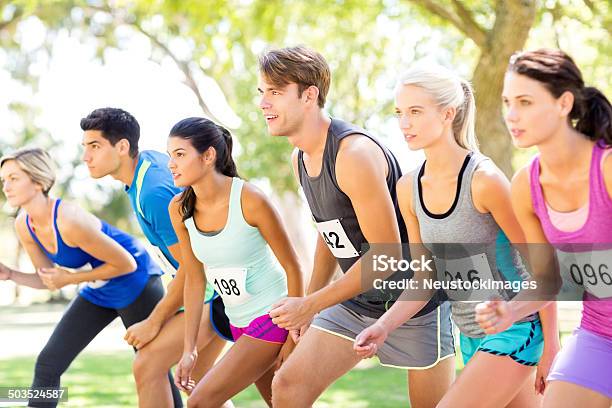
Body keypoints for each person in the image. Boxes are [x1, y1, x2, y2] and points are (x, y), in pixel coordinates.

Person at [259, 46, 455, 408]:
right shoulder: (299, 157)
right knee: (288, 386)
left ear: (309, 95)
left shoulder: (353, 154)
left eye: (275, 91)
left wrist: (312, 303)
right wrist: (309, 304)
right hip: (357, 300)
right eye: (262, 92)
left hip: (414, 302)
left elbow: (388, 257)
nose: (263, 103)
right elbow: (328, 229)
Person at [354, 65, 559, 407]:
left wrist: (551, 346)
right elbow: (425, 279)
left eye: (415, 112)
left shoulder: (485, 180)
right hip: (470, 335)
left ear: (448, 113)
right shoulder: (408, 189)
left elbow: (542, 268)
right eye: (400, 113)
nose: (405, 124)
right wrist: (385, 326)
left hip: (517, 327)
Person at [476, 48, 612, 407]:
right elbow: (548, 278)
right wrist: (512, 310)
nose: (512, 115)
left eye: (525, 102)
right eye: (507, 102)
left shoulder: (607, 169)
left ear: (564, 103)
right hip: (599, 334)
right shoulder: (526, 185)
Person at [80, 107, 232, 407]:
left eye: (94, 146)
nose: (86, 157)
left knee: (147, 365)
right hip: (214, 288)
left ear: (122, 147)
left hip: (216, 291)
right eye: (84, 148)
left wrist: (153, 321)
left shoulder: (152, 192)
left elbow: (193, 267)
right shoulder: (147, 168)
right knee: (201, 388)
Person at [0, 148, 164, 408]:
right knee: (48, 364)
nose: (6, 186)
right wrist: (10, 274)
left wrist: (71, 279)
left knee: (152, 370)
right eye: (4, 180)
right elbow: (48, 279)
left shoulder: (68, 219)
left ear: (39, 181)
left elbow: (126, 263)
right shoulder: (24, 224)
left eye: (14, 178)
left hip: (138, 282)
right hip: (98, 288)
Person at [166, 117, 304, 407]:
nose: (171, 164)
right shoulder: (179, 209)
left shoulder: (250, 199)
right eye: (170, 156)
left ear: (208, 156)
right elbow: (194, 279)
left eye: (179, 154)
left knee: (199, 402)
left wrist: (292, 338)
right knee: (283, 404)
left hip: (273, 316)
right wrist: (189, 349)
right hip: (238, 323)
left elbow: (293, 267)